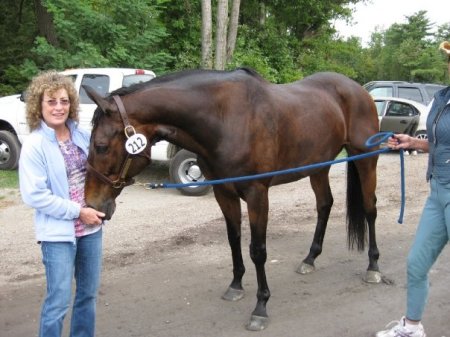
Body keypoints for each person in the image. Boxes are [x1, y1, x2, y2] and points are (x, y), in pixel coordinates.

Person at [19, 70, 105, 337]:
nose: (59, 107)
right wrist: (79, 212)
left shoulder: (82, 135)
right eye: (52, 101)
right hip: (58, 235)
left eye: (64, 101)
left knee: (87, 296)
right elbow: (35, 195)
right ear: (39, 106)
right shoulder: (35, 145)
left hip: (91, 231)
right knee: (58, 302)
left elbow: (100, 171)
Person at [374, 41, 450, 337]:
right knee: (416, 263)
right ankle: (412, 327)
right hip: (438, 192)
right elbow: (441, 142)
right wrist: (415, 143)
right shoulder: (442, 98)